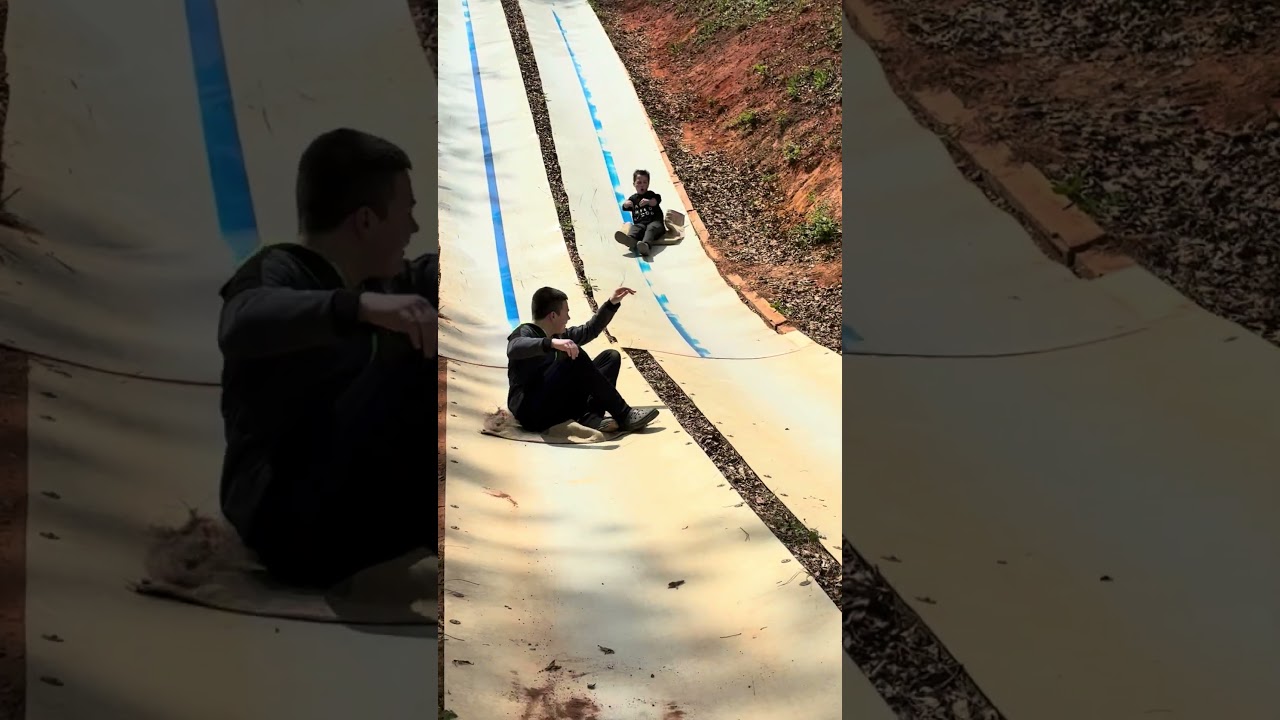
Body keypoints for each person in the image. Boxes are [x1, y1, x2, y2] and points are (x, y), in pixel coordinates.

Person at [216, 127, 439, 588]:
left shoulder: (388, 285)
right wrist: (355, 308)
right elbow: (241, 321)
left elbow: (441, 275)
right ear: (366, 221)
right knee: (419, 369)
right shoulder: (279, 270)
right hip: (285, 518)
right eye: (407, 212)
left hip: (351, 513)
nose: (414, 229)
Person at [506, 286, 660, 434]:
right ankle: (624, 414)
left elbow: (589, 330)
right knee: (574, 354)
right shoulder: (525, 332)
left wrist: (611, 304)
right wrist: (550, 343)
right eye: (566, 312)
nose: (568, 318)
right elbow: (514, 347)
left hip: (554, 403)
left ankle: (591, 416)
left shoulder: (559, 336)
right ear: (553, 316)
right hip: (530, 411)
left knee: (610, 357)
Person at [613, 169, 665, 256]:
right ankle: (631, 240)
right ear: (634, 184)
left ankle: (646, 246)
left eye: (645, 182)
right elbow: (624, 207)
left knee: (651, 228)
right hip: (641, 224)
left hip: (655, 223)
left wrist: (649, 201)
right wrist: (626, 204)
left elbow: (656, 201)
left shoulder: (650, 195)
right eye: (639, 183)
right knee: (635, 227)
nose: (642, 185)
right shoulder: (633, 198)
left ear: (648, 184)